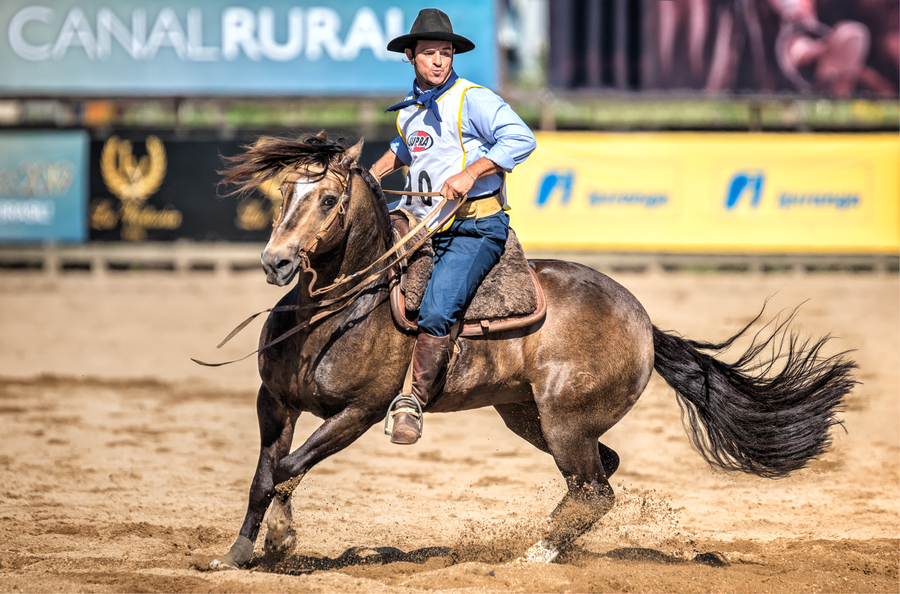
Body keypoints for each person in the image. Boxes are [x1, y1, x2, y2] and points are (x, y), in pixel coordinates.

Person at [369, 8, 536, 445]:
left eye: (445, 53)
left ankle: (413, 401)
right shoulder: (409, 109)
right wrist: (371, 175)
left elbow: (522, 138)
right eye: (430, 53)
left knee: (438, 307)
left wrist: (471, 173)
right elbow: (406, 146)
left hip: (474, 229)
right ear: (411, 56)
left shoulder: (473, 98)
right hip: (422, 226)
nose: (439, 61)